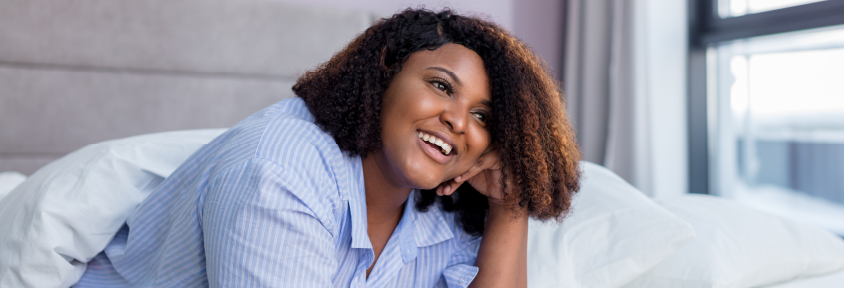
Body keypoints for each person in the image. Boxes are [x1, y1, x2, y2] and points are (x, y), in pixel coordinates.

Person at [75, 8, 580, 288]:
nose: (456, 120)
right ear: (386, 69)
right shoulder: (278, 173)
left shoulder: (446, 207)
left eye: (483, 117)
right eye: (441, 86)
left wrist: (510, 206)